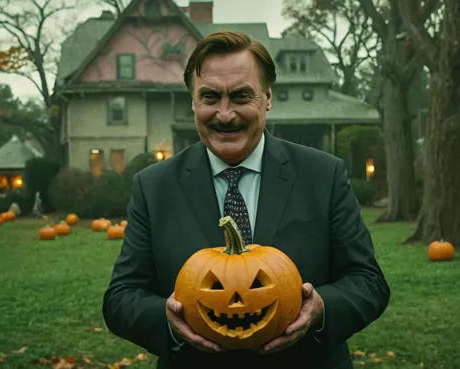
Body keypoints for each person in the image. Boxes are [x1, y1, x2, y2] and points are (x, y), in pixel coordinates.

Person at [102, 31, 390, 369]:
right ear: (192, 101)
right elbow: (121, 298)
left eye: (241, 96)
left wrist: (321, 308)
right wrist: (168, 319)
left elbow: (369, 282)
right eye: (210, 97)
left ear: (267, 97)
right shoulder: (154, 187)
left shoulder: (323, 176)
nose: (225, 115)